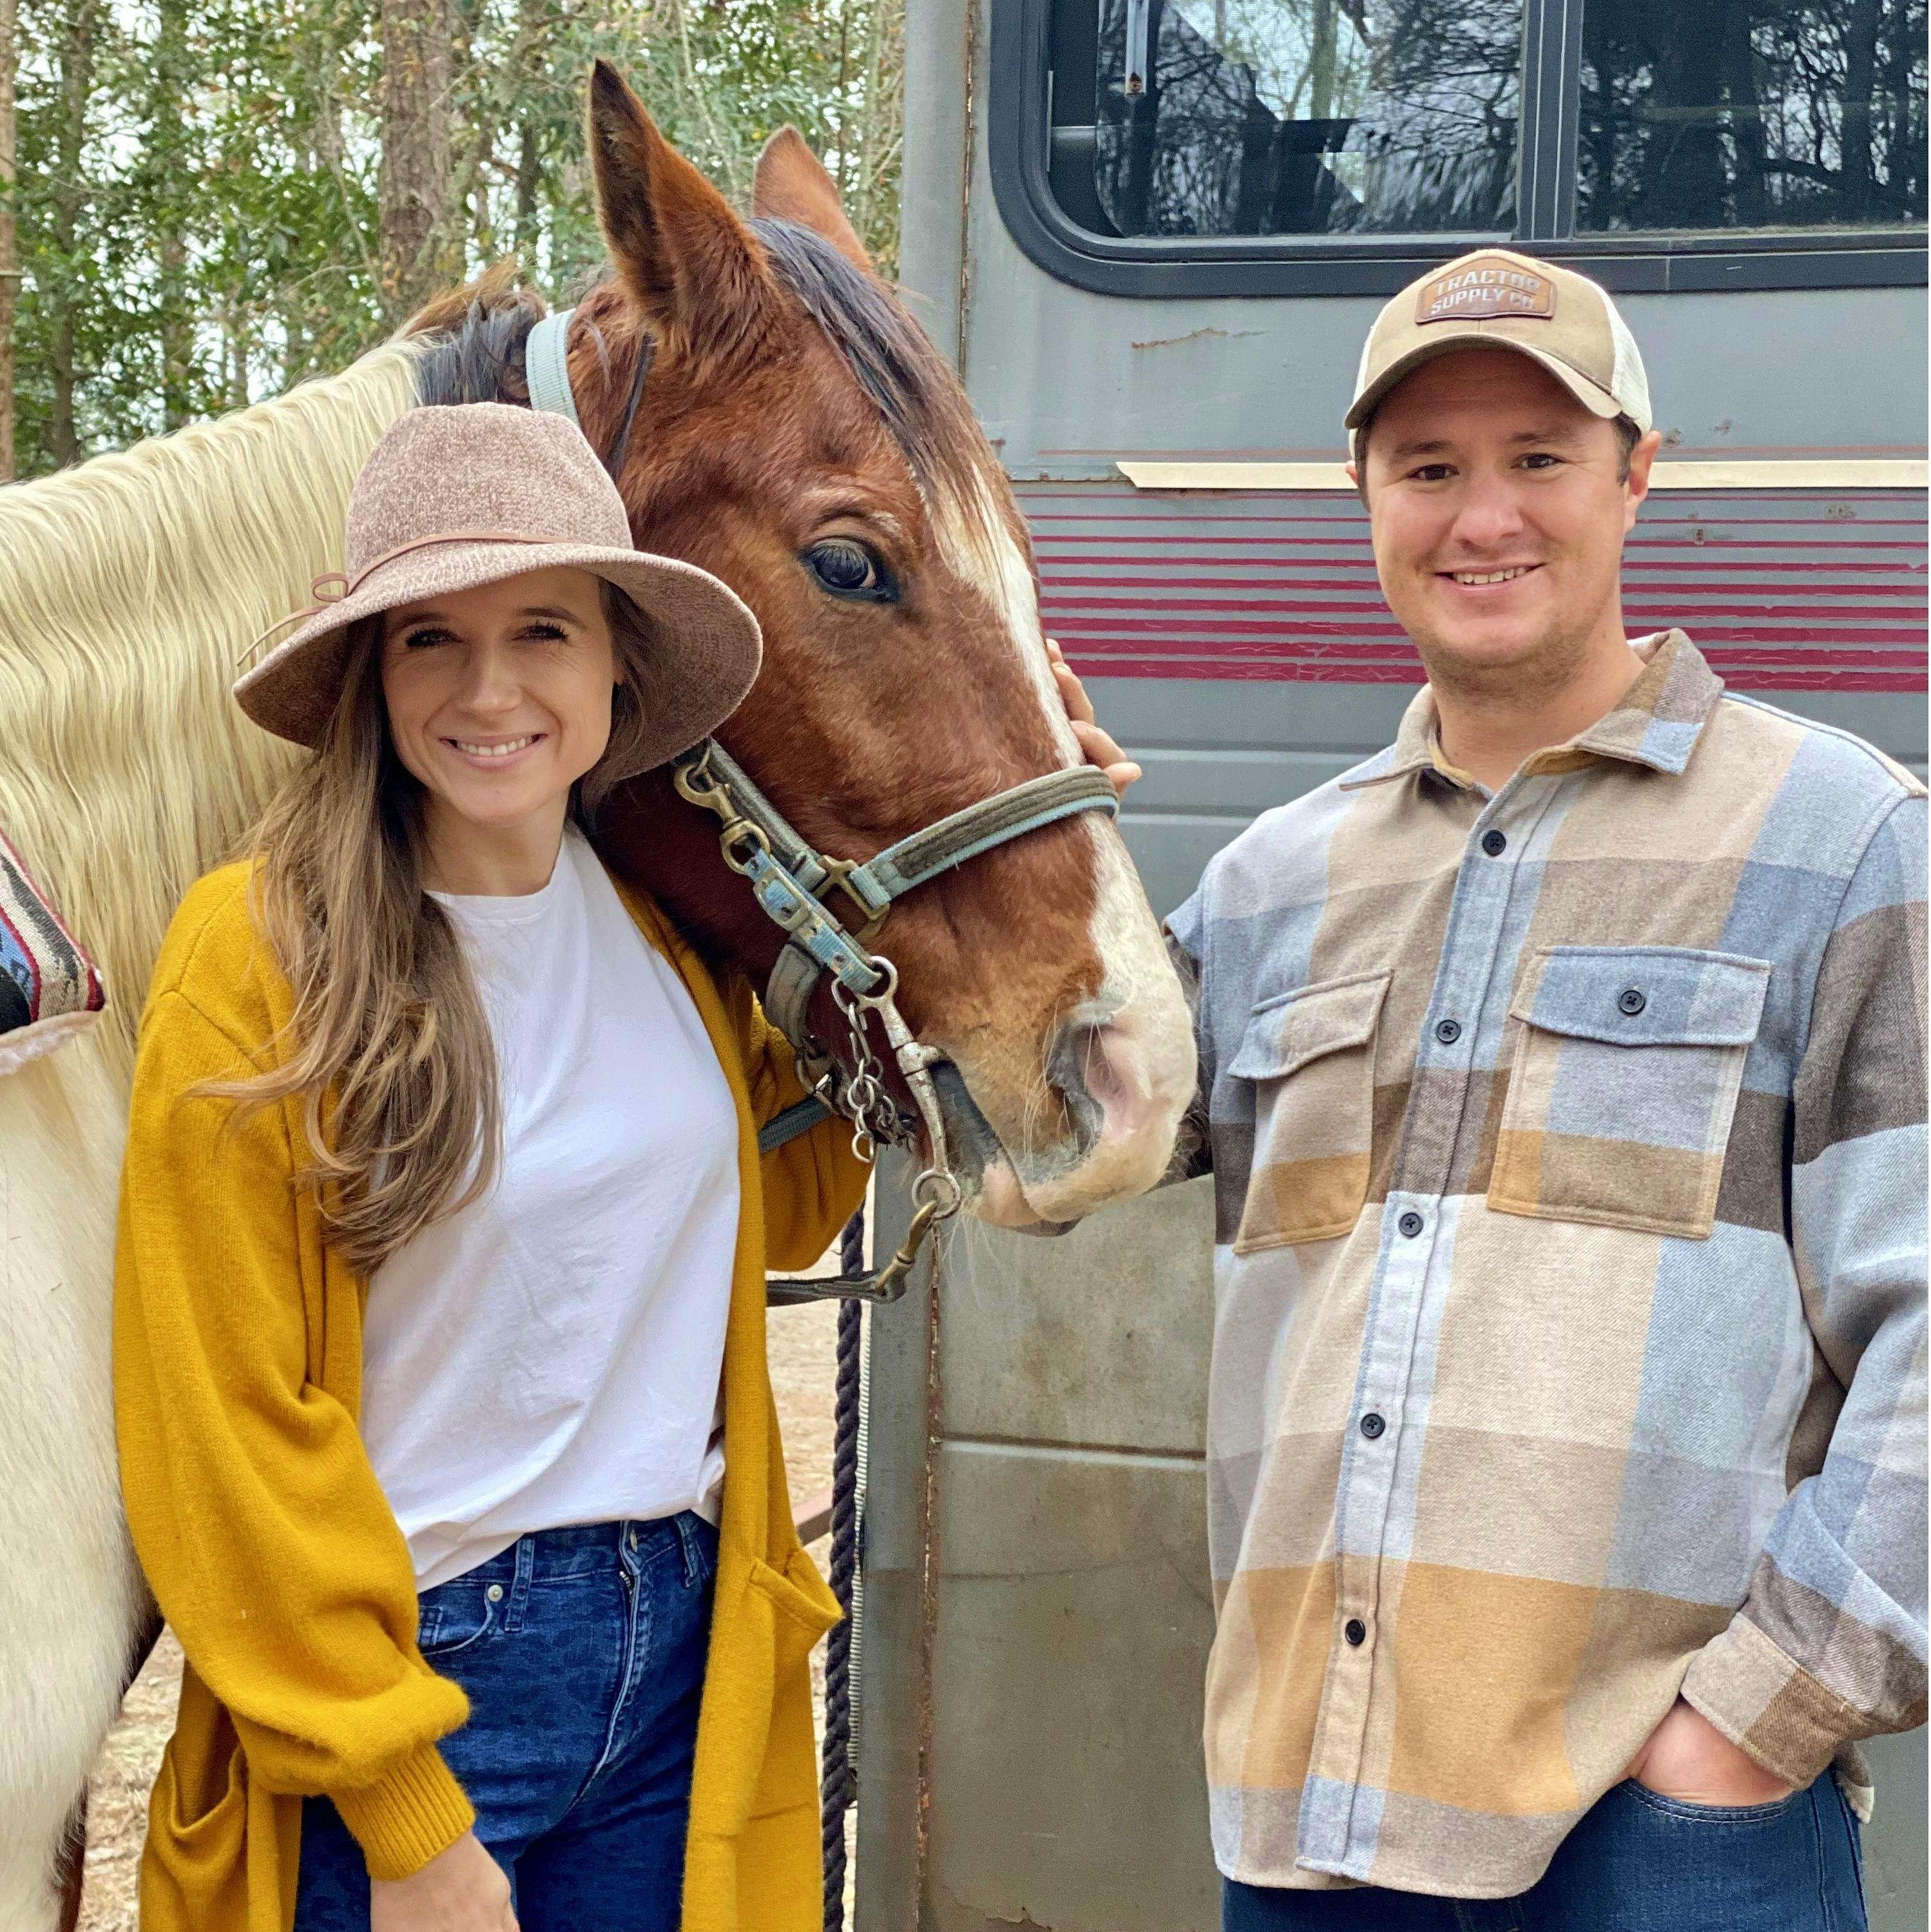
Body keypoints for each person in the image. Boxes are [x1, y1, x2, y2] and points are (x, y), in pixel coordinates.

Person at [1062, 248, 1926, 1929]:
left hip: (1665, 1834)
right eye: (1427, 467)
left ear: (1633, 476)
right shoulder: (1263, 884)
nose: (1481, 517)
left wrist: (1759, 1716)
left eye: (1536, 458)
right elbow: (1040, 1141)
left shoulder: (1842, 841)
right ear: (1362, 493)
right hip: (1309, 1821)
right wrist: (1013, 822)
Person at [113, 402, 870, 1932]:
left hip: (682, 1650)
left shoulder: (667, 934)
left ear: (612, 667)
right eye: (428, 640)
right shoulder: (258, 954)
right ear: (371, 681)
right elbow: (224, 1422)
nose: (489, 687)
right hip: (421, 1677)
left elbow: (774, 1211)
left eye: (541, 627)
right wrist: (402, 1813)